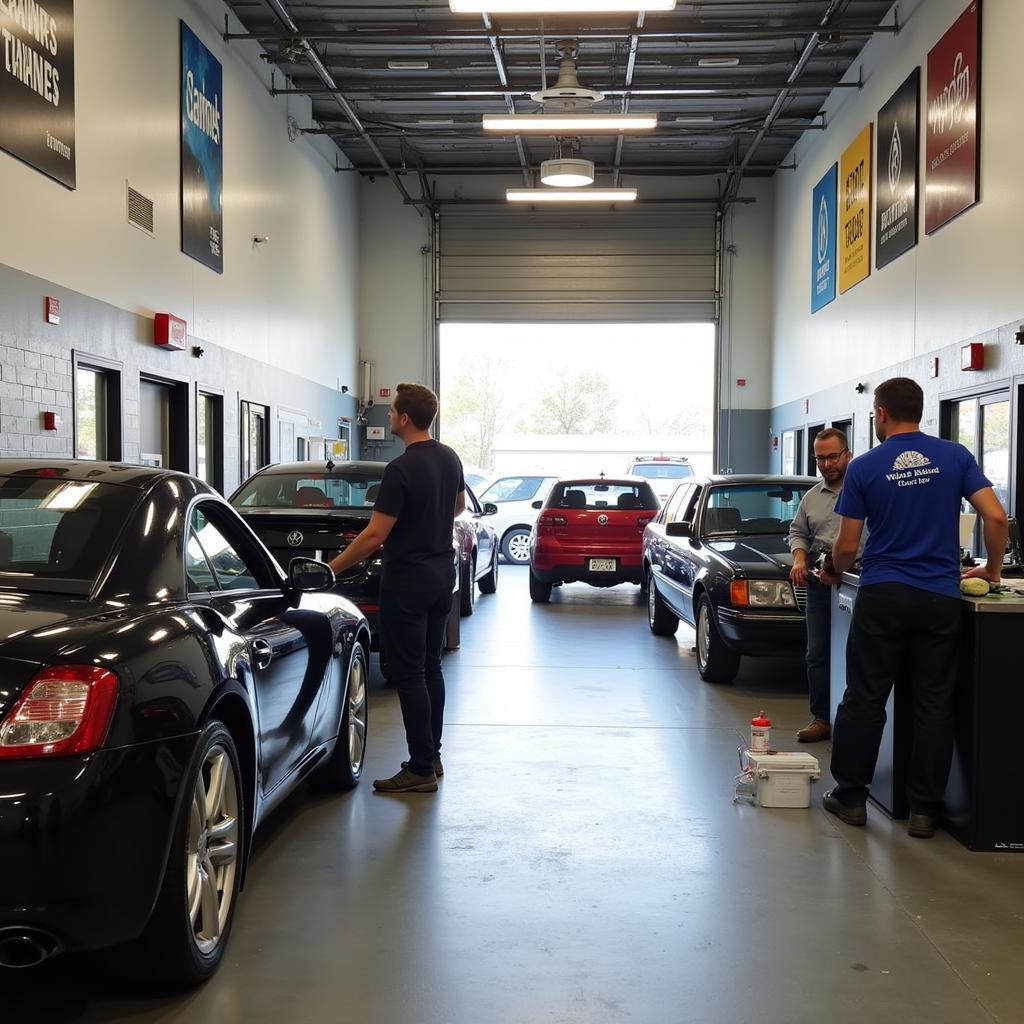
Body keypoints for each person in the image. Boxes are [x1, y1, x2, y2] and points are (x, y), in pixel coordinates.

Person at [819, 377, 1008, 838]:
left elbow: (847, 545)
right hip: (939, 597)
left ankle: (852, 798)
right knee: (934, 701)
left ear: (880, 413)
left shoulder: (865, 467)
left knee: (865, 697)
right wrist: (993, 571)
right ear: (920, 411)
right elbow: (997, 516)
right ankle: (925, 810)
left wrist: (835, 572)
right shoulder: (955, 456)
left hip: (883, 593)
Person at [328, 383, 465, 794]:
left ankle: (420, 766)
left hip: (407, 583)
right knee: (430, 667)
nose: (387, 418)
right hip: (442, 578)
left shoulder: (400, 470)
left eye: (390, 413)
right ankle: (433, 755)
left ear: (405, 418)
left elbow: (374, 536)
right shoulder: (449, 457)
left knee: (408, 674)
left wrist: (330, 569)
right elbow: (457, 507)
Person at [787, 428, 856, 743]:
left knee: (855, 654)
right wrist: (800, 559)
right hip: (819, 585)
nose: (827, 464)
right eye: (820, 458)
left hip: (856, 584)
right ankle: (822, 718)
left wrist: (842, 568)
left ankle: (854, 720)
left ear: (847, 455)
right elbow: (798, 532)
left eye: (832, 457)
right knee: (817, 654)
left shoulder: (864, 490)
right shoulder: (812, 497)